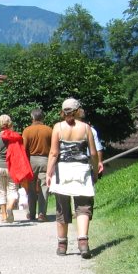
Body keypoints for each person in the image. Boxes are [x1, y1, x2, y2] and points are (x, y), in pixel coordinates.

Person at [46, 98, 99, 259]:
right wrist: (95, 171)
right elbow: (94, 153)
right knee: (83, 207)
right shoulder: (86, 128)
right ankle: (83, 243)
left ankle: (62, 245)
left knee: (62, 207)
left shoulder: (58, 127)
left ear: (63, 111)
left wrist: (49, 173)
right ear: (78, 111)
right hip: (81, 170)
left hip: (63, 171)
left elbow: (54, 153)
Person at [22, 108, 53, 221]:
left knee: (31, 188)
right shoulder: (49, 130)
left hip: (31, 160)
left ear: (32, 118)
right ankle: (42, 214)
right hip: (46, 160)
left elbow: (24, 148)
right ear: (42, 117)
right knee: (44, 187)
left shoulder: (27, 131)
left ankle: (31, 213)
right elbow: (53, 147)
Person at [0, 115, 20, 223]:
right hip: (12, 167)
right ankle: (10, 208)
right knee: (12, 190)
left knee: (1, 191)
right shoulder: (15, 136)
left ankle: (4, 215)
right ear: (10, 123)